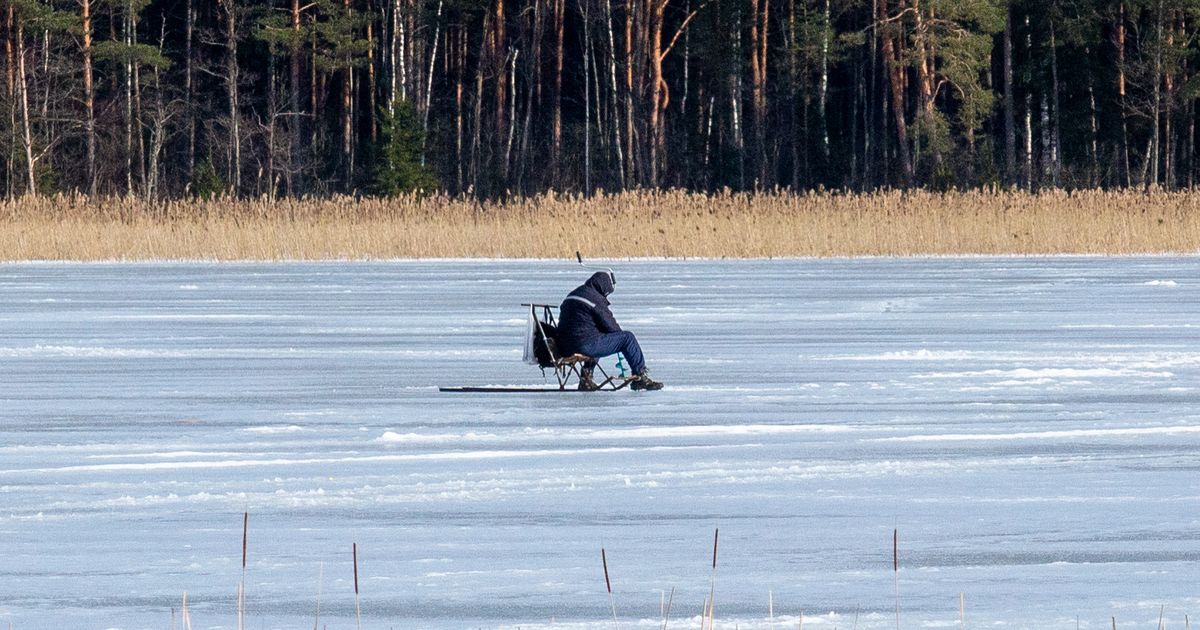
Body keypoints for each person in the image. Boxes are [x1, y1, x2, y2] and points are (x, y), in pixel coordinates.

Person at [557, 271, 664, 391]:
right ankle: (640, 377)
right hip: (583, 345)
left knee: (595, 334)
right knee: (627, 338)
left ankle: (586, 379)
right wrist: (618, 338)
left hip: (562, 346)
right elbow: (611, 327)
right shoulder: (594, 298)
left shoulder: (574, 294)